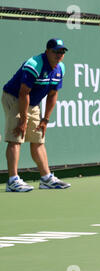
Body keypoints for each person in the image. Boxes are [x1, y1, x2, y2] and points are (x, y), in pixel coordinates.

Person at [2, 38, 71, 192]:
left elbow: (53, 94)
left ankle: (46, 179)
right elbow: (23, 92)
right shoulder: (34, 65)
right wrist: (23, 120)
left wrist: (45, 119)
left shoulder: (60, 68)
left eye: (62, 52)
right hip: (14, 98)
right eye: (56, 51)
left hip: (32, 103)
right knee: (16, 137)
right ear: (47, 52)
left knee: (38, 138)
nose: (59, 55)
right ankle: (13, 181)